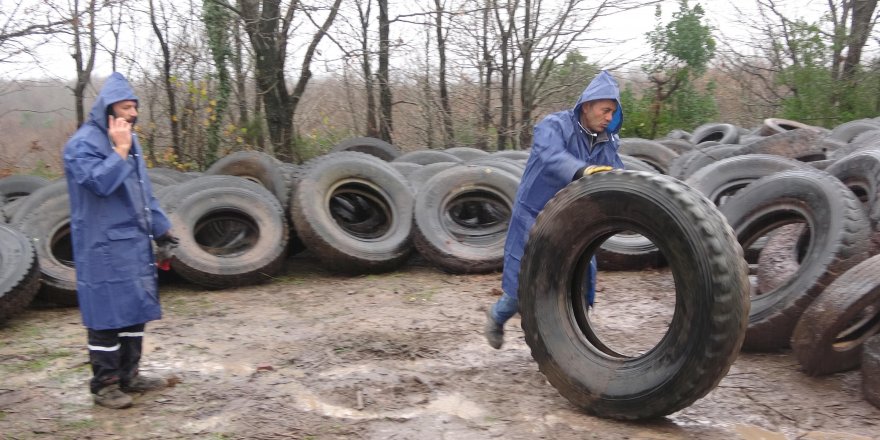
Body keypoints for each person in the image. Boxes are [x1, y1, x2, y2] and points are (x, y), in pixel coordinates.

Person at [484, 70, 625, 349]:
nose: (609, 117)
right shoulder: (553, 126)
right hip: (534, 216)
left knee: (581, 282)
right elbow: (551, 157)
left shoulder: (607, 142)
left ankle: (575, 347)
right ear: (587, 105)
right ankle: (497, 317)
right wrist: (582, 170)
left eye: (613, 112)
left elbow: (618, 176)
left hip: (575, 221)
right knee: (522, 286)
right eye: (605, 110)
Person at [63, 72, 178, 409]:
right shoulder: (81, 145)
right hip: (100, 246)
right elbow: (99, 183)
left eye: (134, 108)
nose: (132, 114)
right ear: (107, 110)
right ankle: (106, 385)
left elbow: (143, 193)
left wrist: (163, 230)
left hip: (132, 242)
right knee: (105, 317)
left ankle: (130, 376)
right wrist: (120, 151)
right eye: (126, 108)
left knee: (133, 314)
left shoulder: (132, 143)